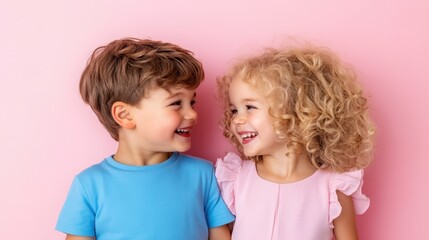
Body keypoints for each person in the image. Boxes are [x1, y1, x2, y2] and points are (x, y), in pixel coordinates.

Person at [56, 38, 234, 240]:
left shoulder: (204, 175)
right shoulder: (90, 185)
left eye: (192, 102)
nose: (192, 114)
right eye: (176, 103)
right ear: (125, 115)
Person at [215, 46, 375, 240]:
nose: (237, 119)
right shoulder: (235, 180)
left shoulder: (333, 189)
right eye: (234, 110)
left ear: (297, 111)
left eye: (249, 107)